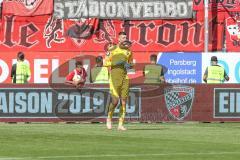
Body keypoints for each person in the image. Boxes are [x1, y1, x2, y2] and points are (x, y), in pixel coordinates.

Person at [104, 32, 133, 131]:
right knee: (115, 101)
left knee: (124, 102)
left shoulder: (128, 51)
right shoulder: (112, 49)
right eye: (123, 37)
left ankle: (120, 124)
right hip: (114, 76)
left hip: (125, 77)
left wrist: (130, 66)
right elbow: (105, 62)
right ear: (119, 39)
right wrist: (116, 63)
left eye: (126, 37)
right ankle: (109, 118)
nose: (125, 39)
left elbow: (131, 64)